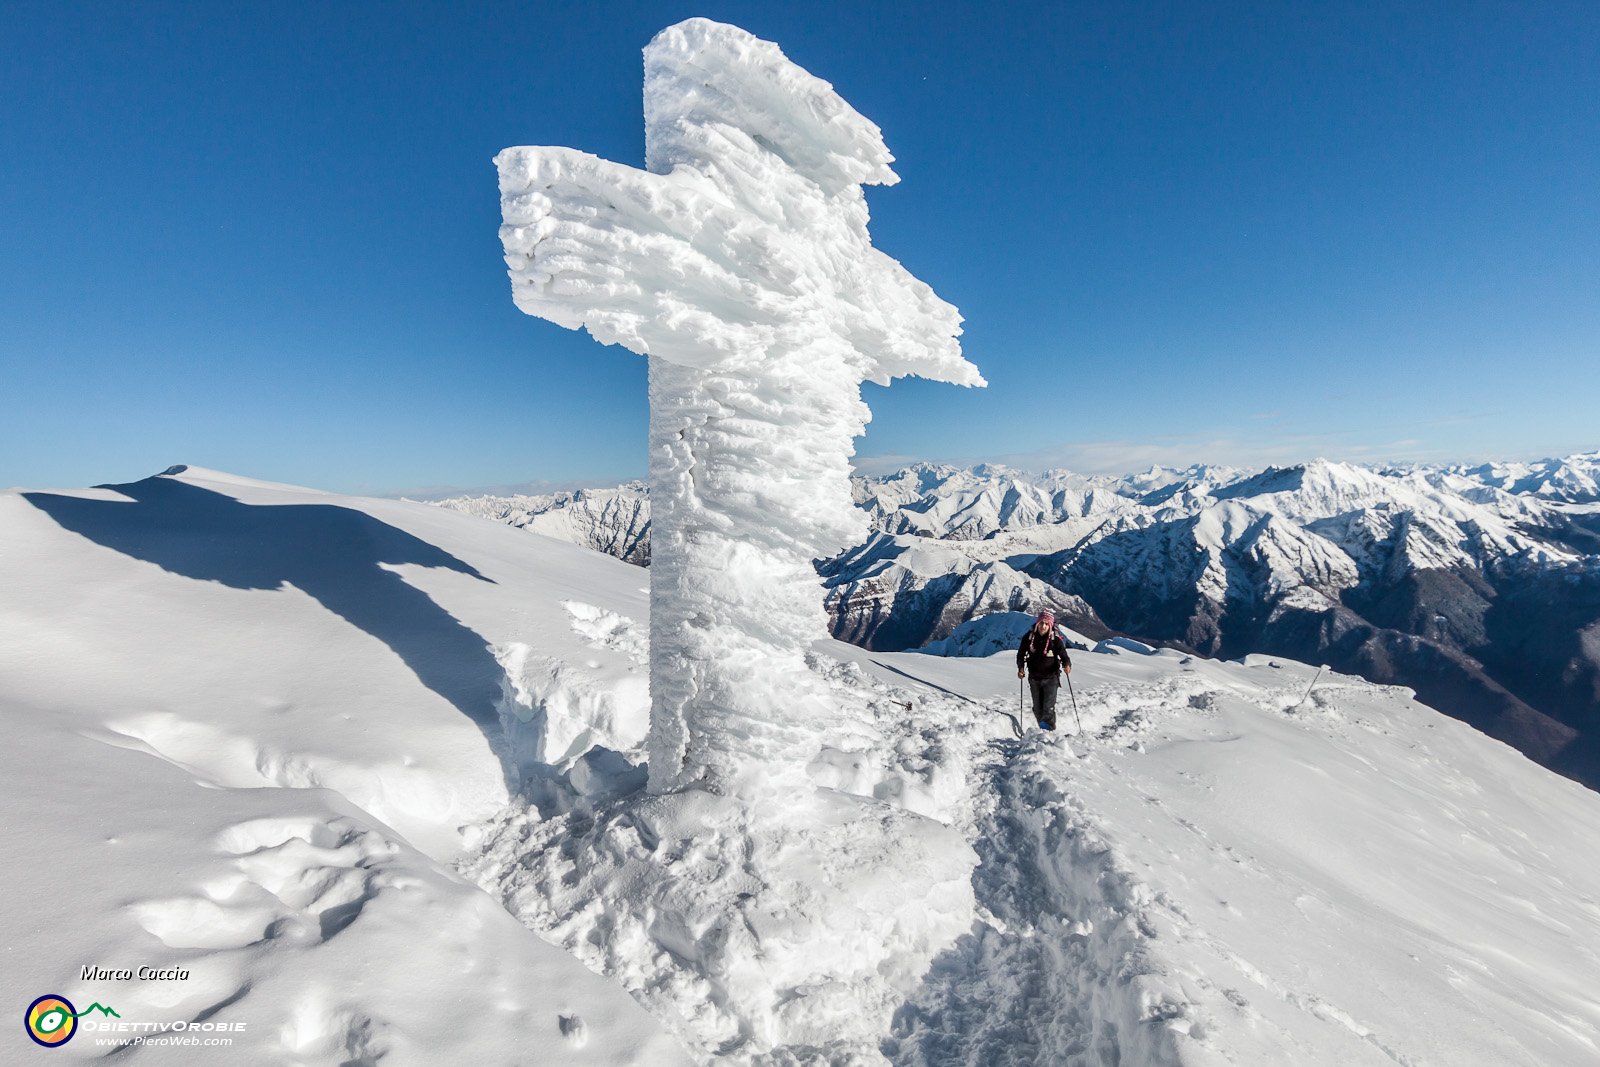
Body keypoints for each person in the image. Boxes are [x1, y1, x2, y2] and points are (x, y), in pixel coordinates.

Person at [1017, 610, 1072, 731]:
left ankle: (1048, 731)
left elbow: (1064, 655)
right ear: (1037, 624)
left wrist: (1067, 664)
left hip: (1051, 678)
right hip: (1034, 678)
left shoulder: (1055, 640)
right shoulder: (1029, 638)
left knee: (1048, 707)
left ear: (1050, 625)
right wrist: (1021, 668)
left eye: (1046, 624)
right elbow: (1020, 654)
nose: (1043, 626)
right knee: (1037, 708)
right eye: (1041, 623)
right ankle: (1043, 728)